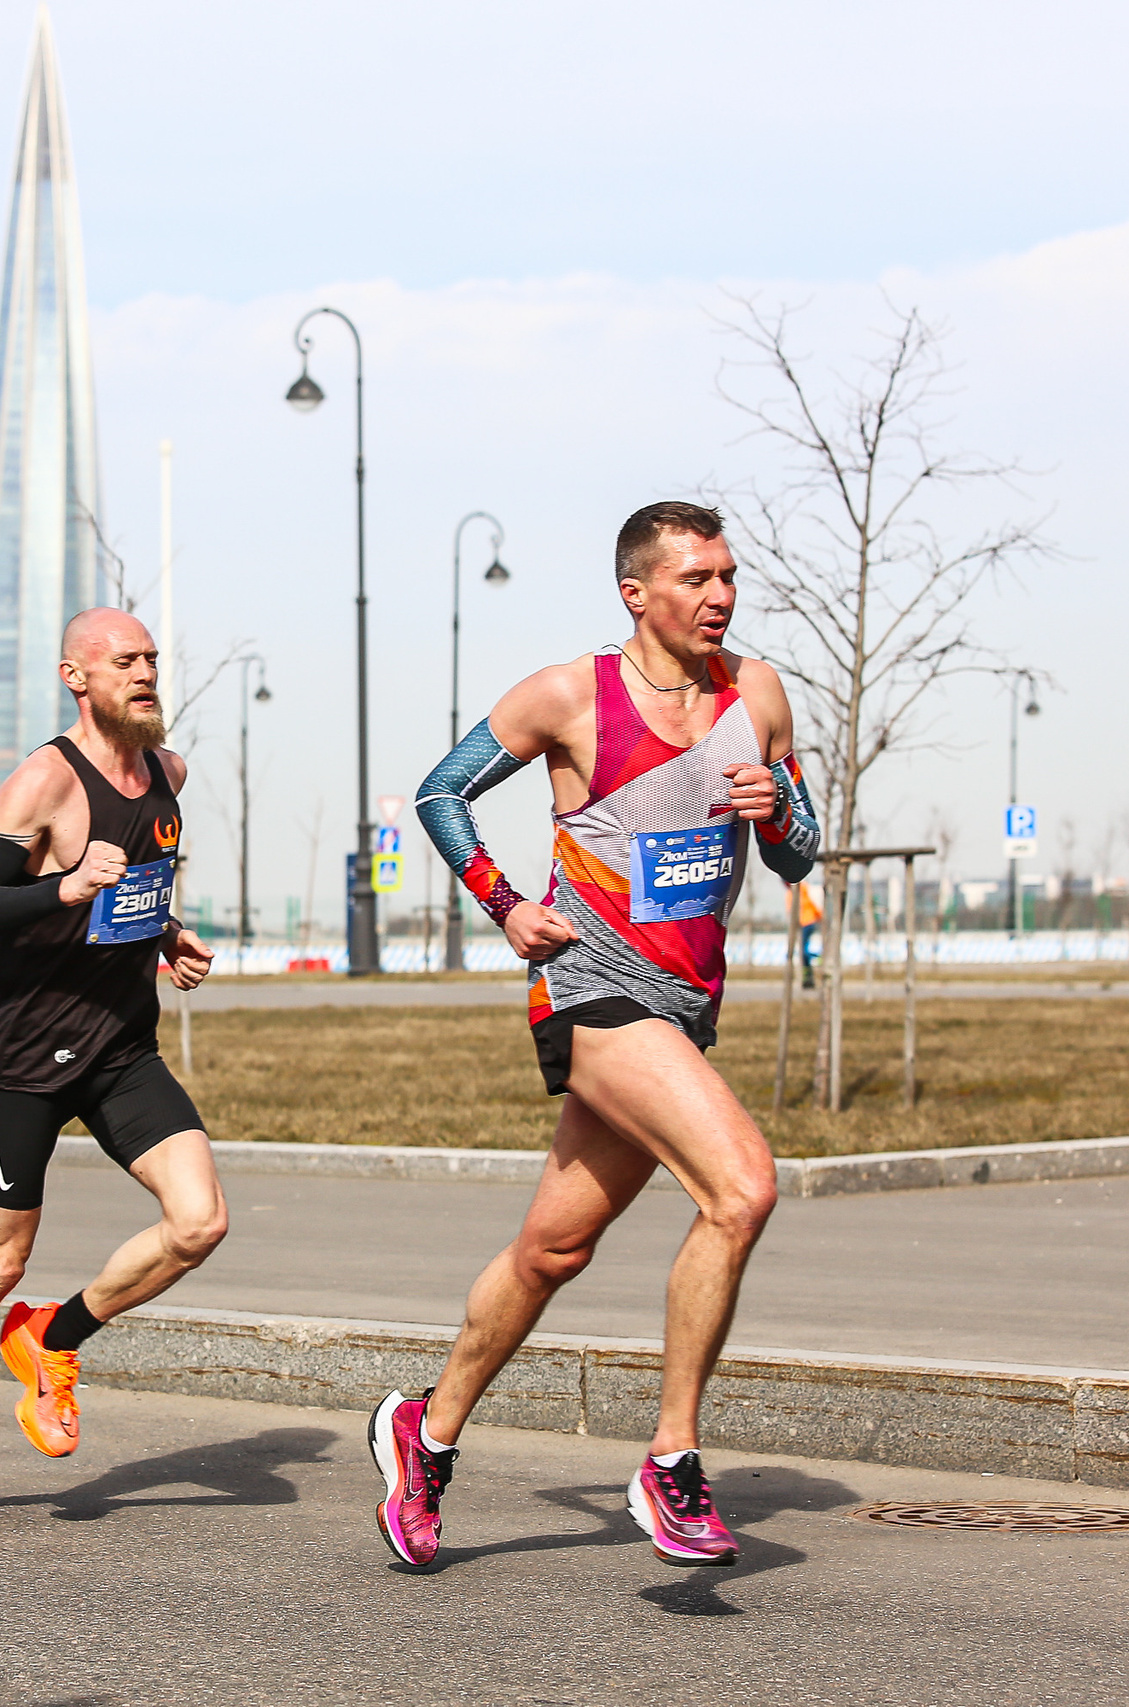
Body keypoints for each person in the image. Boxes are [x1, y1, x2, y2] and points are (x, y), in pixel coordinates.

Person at [374, 500, 820, 1569]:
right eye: (694, 580)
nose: (718, 597)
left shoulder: (754, 694)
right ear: (637, 592)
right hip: (589, 987)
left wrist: (776, 812)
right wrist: (504, 902)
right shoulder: (571, 694)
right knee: (742, 1187)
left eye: (726, 576)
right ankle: (671, 1464)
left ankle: (423, 1434)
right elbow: (443, 792)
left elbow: (802, 854)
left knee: (551, 1250)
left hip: (681, 1005)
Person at [0, 608, 223, 1526]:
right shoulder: (43, 781)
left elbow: (139, 890)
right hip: (29, 1058)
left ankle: (55, 1334)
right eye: (125, 661)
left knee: (199, 1222)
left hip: (120, 1046)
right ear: (78, 677)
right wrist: (61, 885)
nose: (146, 672)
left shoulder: (168, 774)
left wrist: (169, 937)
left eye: (153, 658)